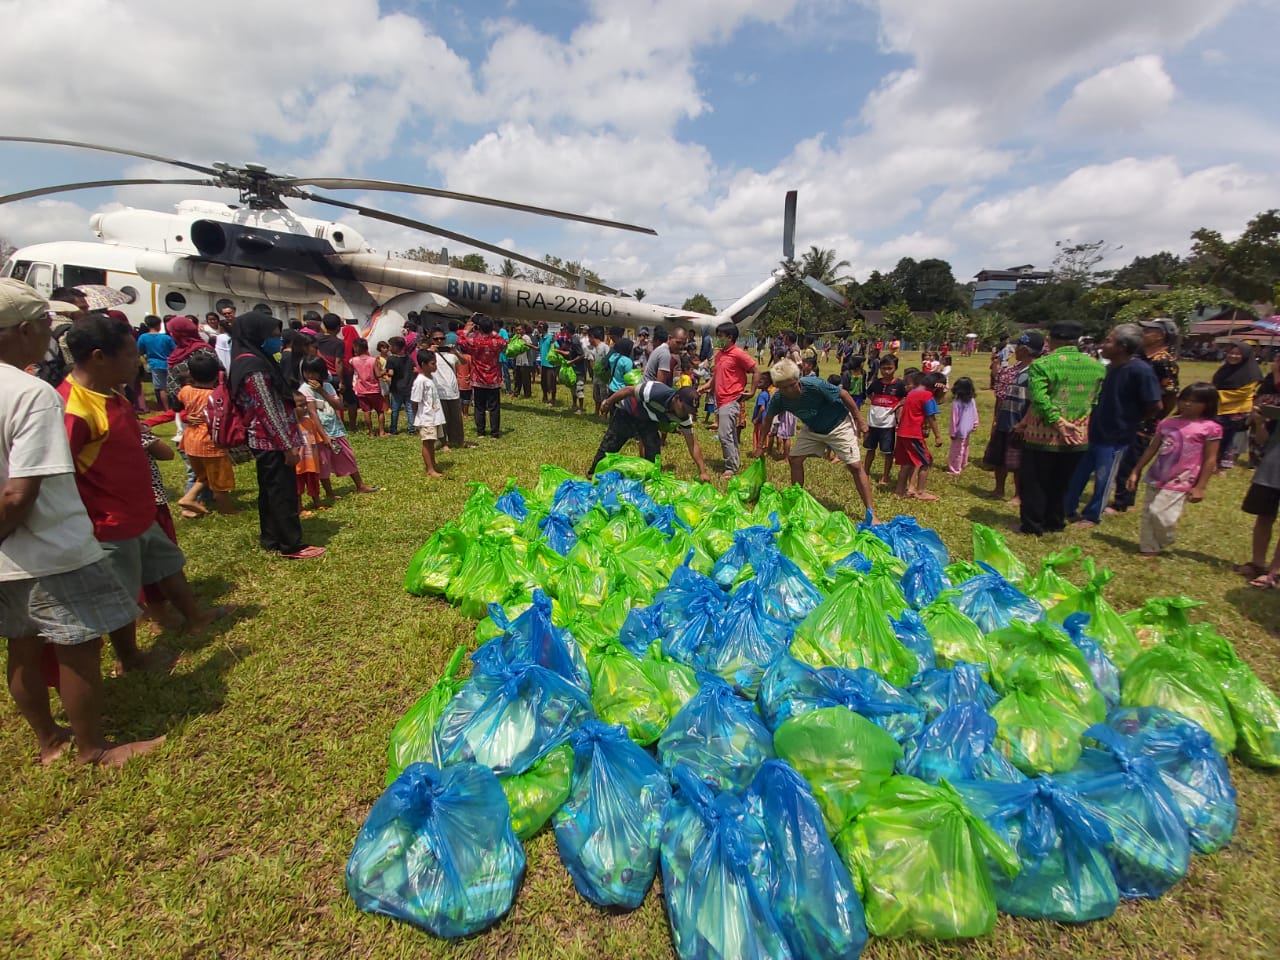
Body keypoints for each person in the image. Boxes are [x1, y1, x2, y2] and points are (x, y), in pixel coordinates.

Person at [0, 280, 165, 766]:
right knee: (78, 647)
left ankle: (50, 741)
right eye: (48, 325)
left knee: (22, 645)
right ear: (26, 329)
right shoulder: (32, 394)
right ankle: (92, 749)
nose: (52, 336)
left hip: (7, 556)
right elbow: (20, 491)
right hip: (47, 544)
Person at [59, 316, 229, 673]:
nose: (136, 362)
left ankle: (196, 617)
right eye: (128, 354)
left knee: (168, 566)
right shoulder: (73, 409)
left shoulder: (111, 393)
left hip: (140, 508)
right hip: (109, 521)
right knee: (121, 592)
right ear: (99, 357)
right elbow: (62, 472)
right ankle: (130, 658)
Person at [229, 313, 324, 559]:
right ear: (256, 335)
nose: (276, 341)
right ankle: (291, 544)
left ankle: (271, 537)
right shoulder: (254, 367)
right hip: (270, 440)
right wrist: (287, 446)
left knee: (271, 491)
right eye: (272, 335)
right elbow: (267, 409)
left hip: (266, 439)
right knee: (283, 492)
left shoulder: (249, 359)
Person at [1064, 324, 1162, 528]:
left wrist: (1132, 421)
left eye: (1109, 340)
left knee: (1104, 477)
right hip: (1095, 430)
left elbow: (1155, 404)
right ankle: (1067, 508)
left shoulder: (1140, 370)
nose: (1103, 344)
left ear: (1123, 346)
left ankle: (1092, 515)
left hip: (1117, 436)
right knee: (1078, 474)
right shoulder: (1109, 368)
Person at [1017, 322, 1105, 536]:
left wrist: (1058, 422)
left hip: (1042, 436)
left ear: (1050, 340)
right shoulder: (1097, 366)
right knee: (1063, 482)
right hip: (1077, 436)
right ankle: (1055, 522)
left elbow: (1039, 399)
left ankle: (1032, 525)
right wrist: (1073, 423)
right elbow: (1093, 401)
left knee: (1035, 482)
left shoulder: (1043, 364)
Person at [759, 359, 875, 518]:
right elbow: (767, 420)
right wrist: (760, 445)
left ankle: (871, 512)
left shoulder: (814, 384)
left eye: (792, 384)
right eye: (784, 387)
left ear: (797, 379)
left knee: (855, 466)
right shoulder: (779, 398)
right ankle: (797, 501)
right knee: (795, 460)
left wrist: (860, 420)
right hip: (813, 428)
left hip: (838, 424)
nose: (790, 390)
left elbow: (844, 394)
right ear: (778, 387)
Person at [1124, 382, 1221, 559]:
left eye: (1195, 401)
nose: (1187, 404)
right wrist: (1136, 470)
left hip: (1182, 477)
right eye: (1184, 400)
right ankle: (1148, 547)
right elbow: (1152, 448)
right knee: (1148, 513)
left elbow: (1210, 459)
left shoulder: (1210, 428)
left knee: (1159, 512)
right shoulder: (1167, 423)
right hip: (1158, 473)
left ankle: (1165, 538)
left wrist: (1201, 486)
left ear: (1208, 404)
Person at [1108, 318, 1181, 513]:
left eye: (1149, 330)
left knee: (1131, 459)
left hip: (1145, 419)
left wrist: (1155, 417)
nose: (1144, 333)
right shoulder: (1138, 356)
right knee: (1120, 457)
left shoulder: (1163, 361)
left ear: (1161, 335)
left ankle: (1123, 502)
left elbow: (1171, 394)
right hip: (1124, 414)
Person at [589, 381, 712, 481]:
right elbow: (628, 390)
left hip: (648, 420)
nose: (686, 412)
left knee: (653, 452)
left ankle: (649, 481)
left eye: (689, 410)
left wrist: (703, 471)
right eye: (685, 408)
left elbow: (692, 443)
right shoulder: (655, 391)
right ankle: (593, 474)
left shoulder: (683, 417)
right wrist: (608, 403)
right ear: (677, 399)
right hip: (628, 412)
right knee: (611, 444)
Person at [299, 358, 377, 496]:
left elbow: (339, 406)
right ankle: (329, 492)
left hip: (335, 429)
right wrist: (324, 436)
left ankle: (360, 485)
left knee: (347, 456)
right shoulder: (305, 390)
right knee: (324, 462)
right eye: (307, 372)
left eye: (313, 373)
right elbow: (312, 414)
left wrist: (322, 392)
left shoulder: (327, 386)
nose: (310, 376)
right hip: (318, 433)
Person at [175, 352, 238, 517]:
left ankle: (190, 500)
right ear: (216, 374)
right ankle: (228, 511)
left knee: (203, 477)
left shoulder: (185, 390)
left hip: (190, 441)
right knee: (219, 484)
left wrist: (187, 416)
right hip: (211, 443)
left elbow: (176, 408)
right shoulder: (216, 395)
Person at [982, 331, 1040, 504]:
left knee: (1017, 462)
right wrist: (996, 418)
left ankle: (1018, 495)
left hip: (1020, 423)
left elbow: (1035, 402)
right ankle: (998, 489)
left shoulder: (1035, 372)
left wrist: (1024, 423)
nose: (1016, 351)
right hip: (1005, 419)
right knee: (999, 458)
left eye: (1020, 348)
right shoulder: (1013, 370)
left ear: (1027, 350)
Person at [701, 323, 757, 478]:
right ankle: (734, 461)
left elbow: (755, 369)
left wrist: (752, 391)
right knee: (730, 433)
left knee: (724, 434)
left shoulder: (738, 354)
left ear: (730, 337)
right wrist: (705, 388)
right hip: (720, 399)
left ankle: (730, 467)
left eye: (720, 336)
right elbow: (715, 377)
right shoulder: (719, 354)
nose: (717, 340)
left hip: (731, 399)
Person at [1237, 388, 1280, 587]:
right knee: (1264, 516)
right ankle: (1258, 563)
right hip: (1272, 468)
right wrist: (1259, 423)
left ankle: (1275, 572)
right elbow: (1263, 441)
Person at [1212, 342, 1262, 471]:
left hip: (1236, 411)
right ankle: (1211, 462)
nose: (1233, 356)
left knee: (1230, 440)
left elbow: (1241, 394)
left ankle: (1223, 466)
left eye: (1238, 354)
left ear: (1245, 356)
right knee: (1215, 437)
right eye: (1231, 353)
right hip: (1218, 408)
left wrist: (1212, 394)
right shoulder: (1225, 368)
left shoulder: (1252, 373)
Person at [894, 371, 943, 501]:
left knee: (907, 463)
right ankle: (920, 492)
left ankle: (899, 491)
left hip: (902, 433)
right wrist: (938, 436)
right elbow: (931, 416)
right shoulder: (926, 396)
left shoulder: (911, 394)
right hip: (913, 434)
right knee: (925, 461)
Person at [456, 314, 506, 438]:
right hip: (493, 378)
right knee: (494, 407)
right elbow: (503, 342)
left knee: (479, 406)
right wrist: (492, 332)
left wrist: (466, 331)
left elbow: (460, 341)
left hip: (478, 378)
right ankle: (494, 433)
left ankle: (481, 432)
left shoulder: (474, 341)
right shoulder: (496, 341)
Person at [862, 353, 906, 487]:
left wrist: (898, 405)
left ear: (895, 368)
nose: (886, 371)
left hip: (888, 425)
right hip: (873, 423)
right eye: (884, 368)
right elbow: (868, 393)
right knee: (870, 449)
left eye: (889, 368)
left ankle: (885, 476)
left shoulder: (899, 384)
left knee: (887, 452)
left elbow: (905, 397)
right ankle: (865, 472)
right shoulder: (876, 383)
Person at [429, 329, 467, 450]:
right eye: (436, 339)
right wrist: (430, 351)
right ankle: (443, 443)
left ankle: (458, 440)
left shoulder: (451, 354)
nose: (439, 341)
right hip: (438, 391)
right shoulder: (429, 354)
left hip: (453, 391)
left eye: (442, 338)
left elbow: (464, 361)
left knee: (456, 418)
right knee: (441, 419)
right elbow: (421, 363)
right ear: (432, 340)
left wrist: (455, 351)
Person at [292, 391, 328, 518]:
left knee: (314, 484)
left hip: (312, 462)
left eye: (306, 404)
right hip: (298, 464)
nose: (305, 408)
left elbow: (316, 441)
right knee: (297, 488)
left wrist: (321, 458)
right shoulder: (291, 426)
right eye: (301, 405)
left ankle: (317, 503)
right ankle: (299, 508)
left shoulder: (310, 422)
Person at [411, 349, 445, 478]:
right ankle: (430, 469)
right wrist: (416, 418)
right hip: (426, 417)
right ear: (423, 364)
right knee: (427, 442)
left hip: (435, 416)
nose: (435, 366)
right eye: (432, 363)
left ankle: (432, 463)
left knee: (432, 442)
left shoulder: (431, 378)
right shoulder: (420, 381)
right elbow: (415, 401)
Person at [347, 338, 387, 437]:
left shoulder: (352, 361)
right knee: (380, 411)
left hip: (361, 389)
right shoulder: (373, 360)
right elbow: (378, 374)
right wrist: (385, 371)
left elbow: (351, 371)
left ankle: (371, 432)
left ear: (356, 348)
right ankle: (382, 432)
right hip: (374, 389)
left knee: (366, 411)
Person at [136, 315, 176, 411]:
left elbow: (139, 350)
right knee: (173, 386)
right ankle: (175, 406)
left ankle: (166, 408)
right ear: (159, 325)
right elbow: (175, 350)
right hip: (169, 363)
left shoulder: (143, 337)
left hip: (154, 364)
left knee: (161, 388)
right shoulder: (166, 338)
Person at [948, 377, 979, 475]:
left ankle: (955, 469)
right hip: (968, 428)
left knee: (956, 450)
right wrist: (975, 423)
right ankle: (963, 463)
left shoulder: (956, 403)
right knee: (965, 446)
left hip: (960, 431)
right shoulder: (972, 401)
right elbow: (975, 413)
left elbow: (954, 420)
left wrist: (953, 432)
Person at [585, 327, 610, 415]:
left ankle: (604, 414)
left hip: (604, 378)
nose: (588, 340)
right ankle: (596, 411)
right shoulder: (591, 349)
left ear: (592, 337)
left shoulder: (605, 347)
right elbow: (591, 361)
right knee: (596, 396)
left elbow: (608, 360)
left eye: (589, 337)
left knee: (604, 396)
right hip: (596, 377)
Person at [538, 322, 559, 405]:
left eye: (540, 327)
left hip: (550, 364)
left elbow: (557, 346)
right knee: (543, 382)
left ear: (544, 328)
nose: (538, 328)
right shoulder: (541, 337)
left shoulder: (550, 337)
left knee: (551, 382)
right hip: (543, 363)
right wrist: (527, 345)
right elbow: (538, 348)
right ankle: (545, 397)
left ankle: (553, 399)